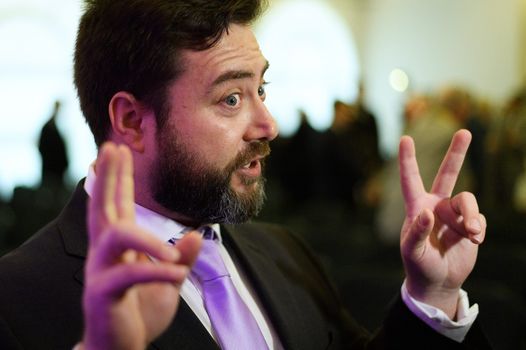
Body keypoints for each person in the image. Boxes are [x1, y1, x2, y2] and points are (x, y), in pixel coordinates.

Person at [0, 1, 490, 349]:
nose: (268, 125)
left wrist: (434, 295)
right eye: (231, 98)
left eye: (262, 89)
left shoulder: (286, 253)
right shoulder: (16, 302)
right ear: (131, 121)